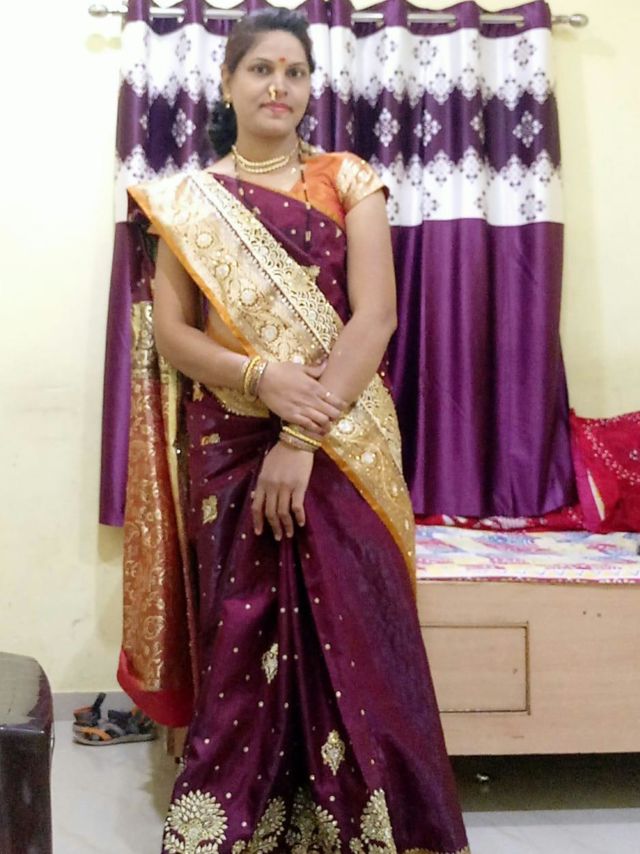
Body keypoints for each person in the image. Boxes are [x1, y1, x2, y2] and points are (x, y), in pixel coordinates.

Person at [123, 8, 471, 853]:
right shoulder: (186, 202)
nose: (278, 86)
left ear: (311, 87)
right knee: (245, 644)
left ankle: (372, 829)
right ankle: (240, 827)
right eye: (261, 69)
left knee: (362, 640)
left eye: (294, 72)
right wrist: (260, 379)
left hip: (339, 442)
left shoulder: (348, 179)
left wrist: (301, 439)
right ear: (227, 84)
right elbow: (175, 335)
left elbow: (375, 318)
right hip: (228, 441)